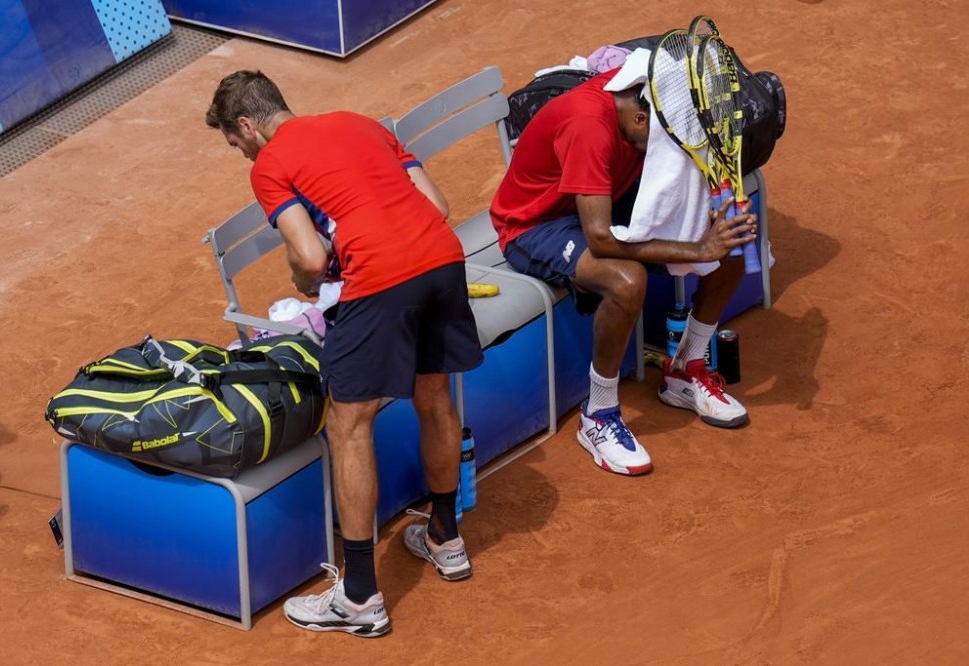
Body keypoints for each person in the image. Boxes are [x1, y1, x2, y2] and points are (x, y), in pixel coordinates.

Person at [207, 70, 483, 638]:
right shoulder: (361, 124)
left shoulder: (269, 165)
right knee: (433, 397)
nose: (242, 157)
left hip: (380, 280)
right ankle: (445, 538)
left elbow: (308, 258)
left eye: (236, 146)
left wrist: (313, 274)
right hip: (441, 261)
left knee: (349, 422)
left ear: (247, 126)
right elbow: (438, 202)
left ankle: (359, 596)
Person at [490, 67, 757, 477]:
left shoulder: (646, 87)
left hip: (607, 199)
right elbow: (600, 240)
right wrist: (700, 248)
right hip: (536, 227)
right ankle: (598, 414)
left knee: (733, 241)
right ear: (639, 119)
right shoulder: (588, 127)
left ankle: (686, 368)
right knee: (628, 280)